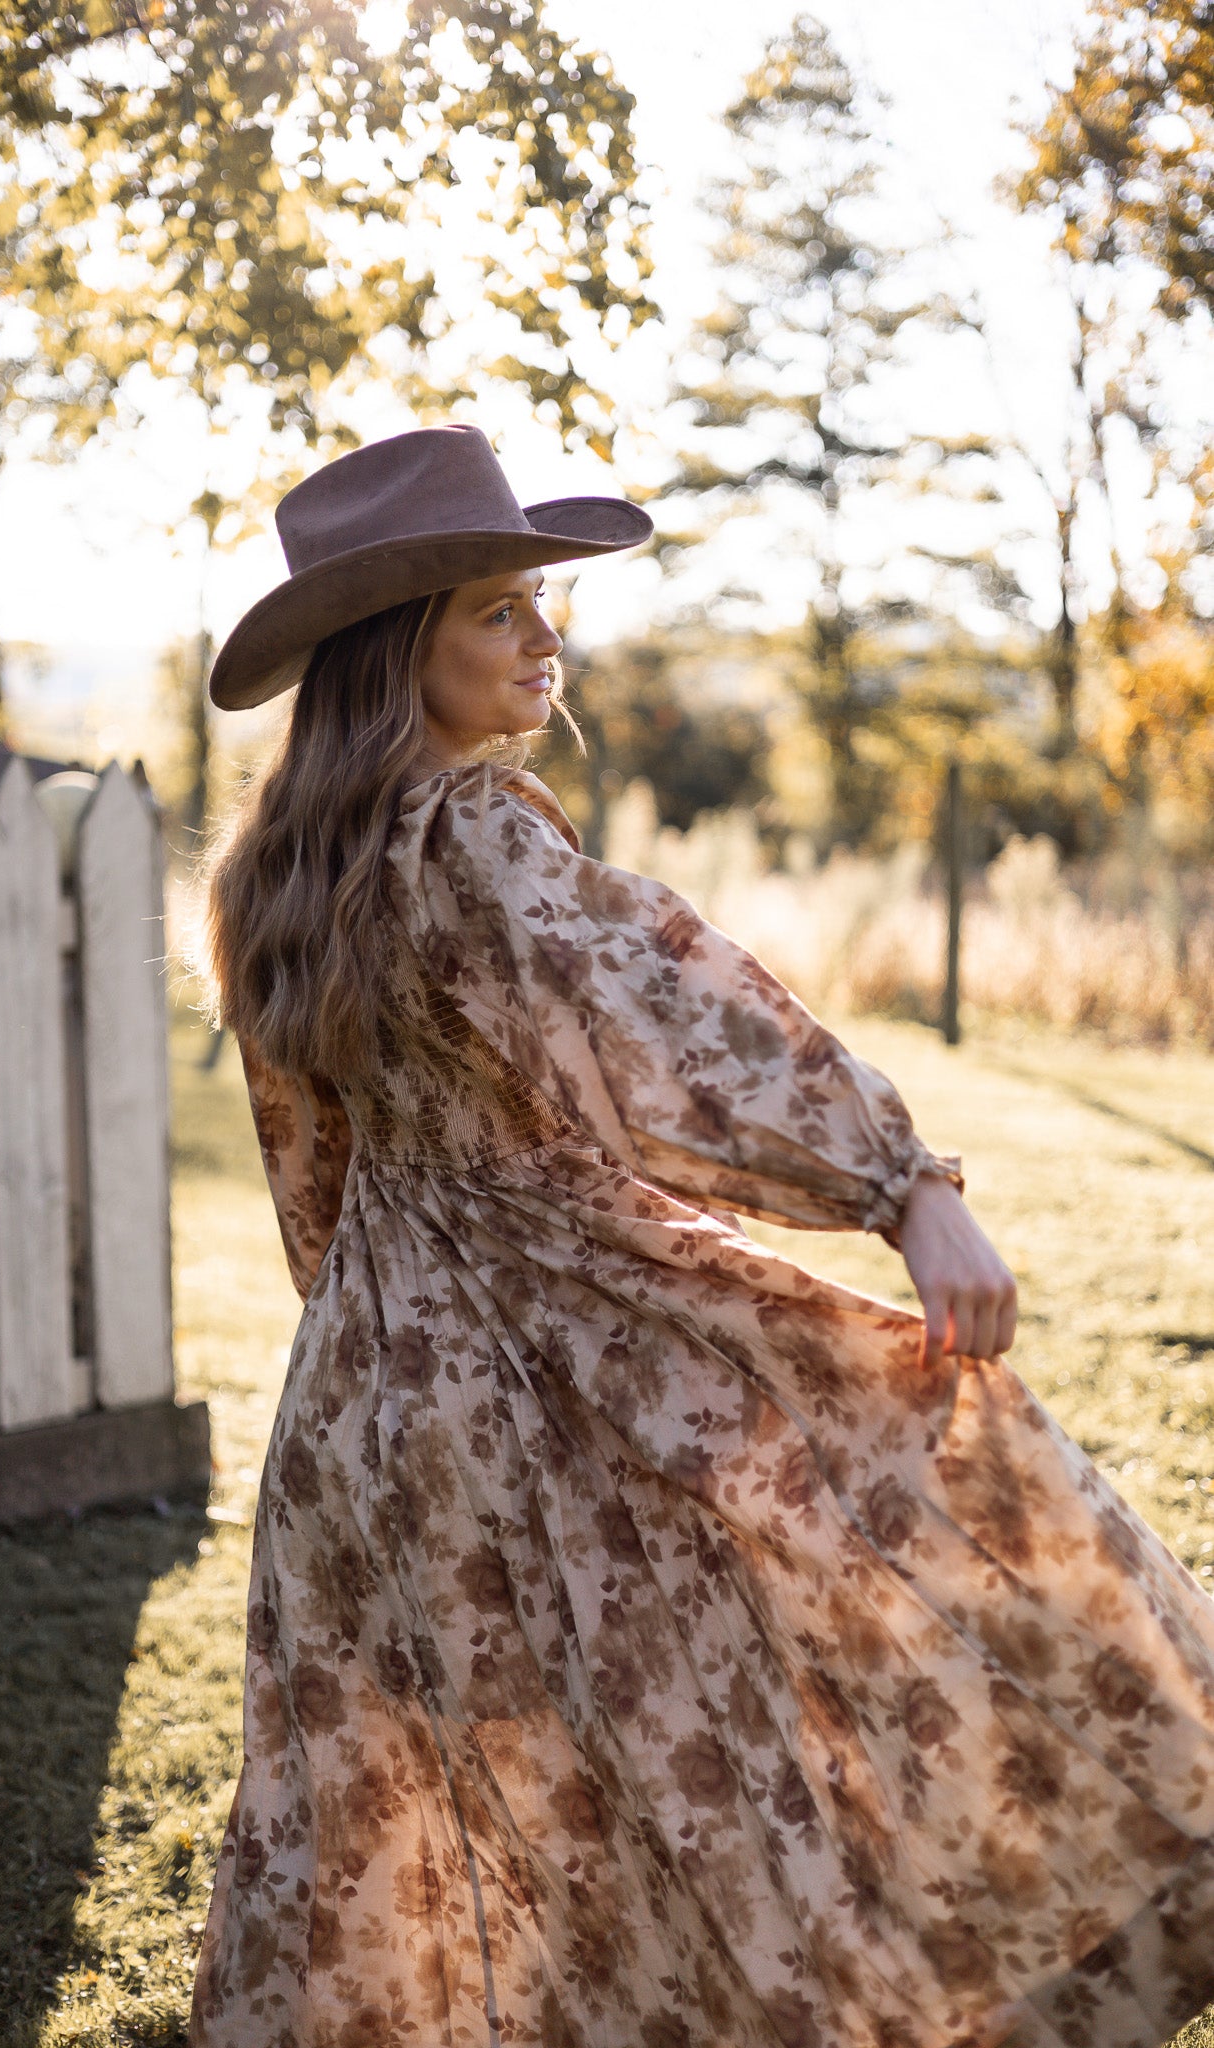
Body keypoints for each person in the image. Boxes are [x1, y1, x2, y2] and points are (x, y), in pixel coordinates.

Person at [190, 424, 1214, 2048]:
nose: (547, 638)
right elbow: (680, 1014)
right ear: (401, 653)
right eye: (500, 613)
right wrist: (904, 1184)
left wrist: (377, 1355)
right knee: (728, 1731)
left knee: (468, 1791)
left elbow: (308, 1181)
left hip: (366, 1409)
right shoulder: (475, 840)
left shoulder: (271, 877)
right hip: (558, 1358)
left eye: (542, 606)